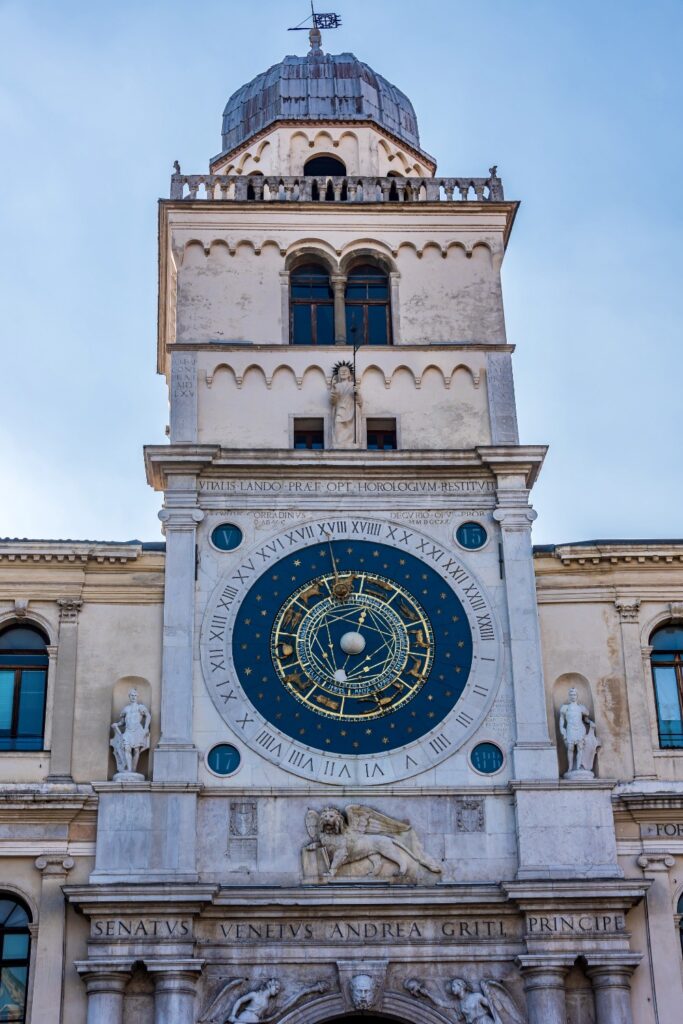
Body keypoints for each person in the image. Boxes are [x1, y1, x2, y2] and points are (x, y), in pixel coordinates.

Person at [110, 689, 151, 775]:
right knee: (126, 748)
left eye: (135, 695)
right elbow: (122, 722)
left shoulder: (140, 707)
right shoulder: (126, 709)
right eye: (132, 695)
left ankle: (133, 769)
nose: (133, 697)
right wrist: (116, 724)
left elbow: (148, 716)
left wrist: (146, 728)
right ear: (129, 697)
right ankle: (129, 769)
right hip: (128, 731)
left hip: (137, 730)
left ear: (137, 697)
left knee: (136, 750)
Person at [330, 363, 361, 447]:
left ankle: (351, 445)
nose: (343, 372)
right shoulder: (336, 386)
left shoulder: (353, 385)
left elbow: (360, 402)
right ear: (338, 374)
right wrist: (334, 392)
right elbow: (333, 401)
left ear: (349, 374)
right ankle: (339, 444)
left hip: (351, 410)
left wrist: (356, 393)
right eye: (341, 371)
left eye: (345, 371)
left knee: (351, 430)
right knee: (338, 427)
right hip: (340, 410)